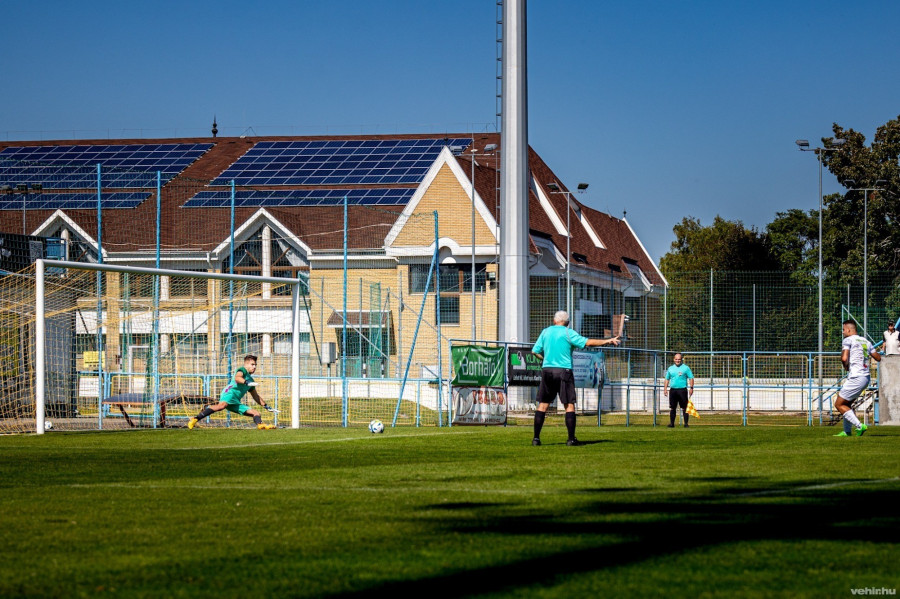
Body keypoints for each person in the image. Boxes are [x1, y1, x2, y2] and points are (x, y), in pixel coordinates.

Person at [530, 310, 620, 446]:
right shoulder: (568, 332)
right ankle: (571, 439)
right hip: (564, 371)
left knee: (542, 405)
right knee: (569, 405)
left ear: (554, 321)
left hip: (547, 371)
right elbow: (588, 343)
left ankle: (536, 439)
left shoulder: (546, 332)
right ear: (567, 323)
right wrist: (608, 340)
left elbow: (535, 351)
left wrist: (544, 360)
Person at [188, 355, 275, 430]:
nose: (254, 367)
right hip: (229, 393)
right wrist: (246, 382)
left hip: (235, 401)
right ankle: (195, 418)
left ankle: (260, 425)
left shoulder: (251, 380)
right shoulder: (242, 370)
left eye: (255, 365)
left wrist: (266, 406)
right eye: (252, 364)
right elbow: (237, 378)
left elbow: (256, 396)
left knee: (256, 413)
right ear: (246, 364)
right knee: (222, 406)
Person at [834, 320, 881, 437]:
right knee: (847, 404)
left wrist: (846, 366)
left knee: (839, 404)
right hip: (865, 377)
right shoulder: (866, 341)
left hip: (856, 376)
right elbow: (878, 357)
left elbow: (844, 358)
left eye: (844, 329)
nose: (843, 332)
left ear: (849, 330)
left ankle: (860, 426)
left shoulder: (848, 340)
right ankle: (847, 431)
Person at [663, 353, 694, 428]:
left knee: (685, 407)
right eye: (676, 359)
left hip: (682, 390)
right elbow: (667, 379)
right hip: (673, 390)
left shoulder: (686, 368)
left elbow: (691, 378)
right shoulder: (670, 368)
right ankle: (672, 424)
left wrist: (691, 388)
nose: (677, 361)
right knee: (672, 407)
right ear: (674, 359)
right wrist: (665, 389)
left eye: (679, 359)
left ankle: (686, 424)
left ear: (681, 359)